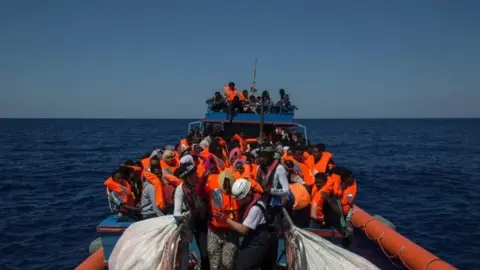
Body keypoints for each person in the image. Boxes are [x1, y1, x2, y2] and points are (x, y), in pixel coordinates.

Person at [219, 179, 278, 270]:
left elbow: (244, 229)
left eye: (239, 199)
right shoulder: (257, 201)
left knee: (243, 267)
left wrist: (226, 220)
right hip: (257, 240)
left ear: (246, 196)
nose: (238, 202)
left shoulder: (255, 209)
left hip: (257, 243)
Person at [196, 169, 239, 270]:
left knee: (227, 263)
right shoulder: (214, 190)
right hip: (214, 231)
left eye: (229, 183)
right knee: (214, 263)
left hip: (230, 232)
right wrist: (203, 180)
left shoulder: (237, 193)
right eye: (225, 183)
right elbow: (199, 191)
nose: (227, 185)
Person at [173, 157, 210, 270]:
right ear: (185, 178)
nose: (194, 176)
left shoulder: (203, 183)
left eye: (194, 172)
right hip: (190, 222)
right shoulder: (180, 189)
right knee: (186, 251)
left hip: (207, 220)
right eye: (191, 174)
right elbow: (177, 212)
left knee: (206, 253)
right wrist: (184, 216)